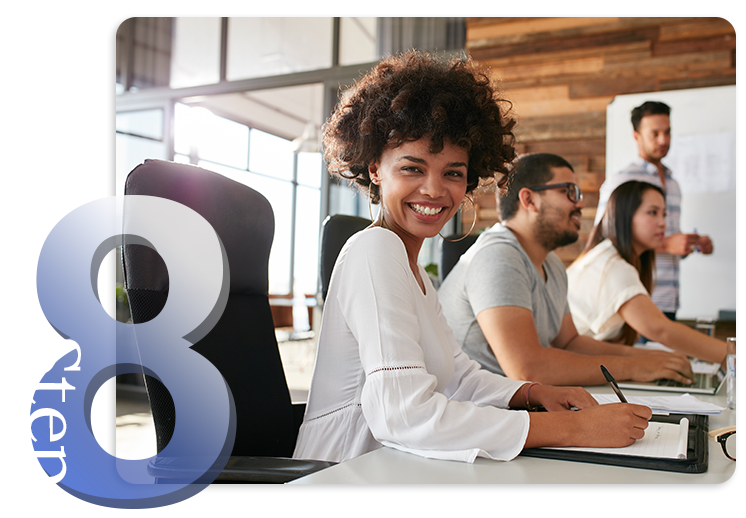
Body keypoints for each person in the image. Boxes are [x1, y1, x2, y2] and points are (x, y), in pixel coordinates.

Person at [293, 51, 651, 465]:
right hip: (345, 469)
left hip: (398, 465)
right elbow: (404, 415)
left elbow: (458, 376)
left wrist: (531, 392)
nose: (434, 190)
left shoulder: (416, 273)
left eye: (453, 173)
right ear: (375, 168)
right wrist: (576, 429)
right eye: (412, 168)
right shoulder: (376, 250)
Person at [438, 153, 693, 387]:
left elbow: (570, 343)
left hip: (515, 407)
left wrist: (650, 358)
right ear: (529, 200)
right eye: (569, 191)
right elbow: (527, 369)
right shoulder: (497, 256)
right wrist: (634, 366)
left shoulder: (552, 264)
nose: (580, 203)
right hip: (477, 415)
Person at [567, 180, 727, 365]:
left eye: (664, 214)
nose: (662, 223)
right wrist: (730, 356)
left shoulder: (611, 256)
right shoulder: (613, 266)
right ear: (624, 216)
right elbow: (660, 329)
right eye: (652, 213)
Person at [595, 101, 713, 322]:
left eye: (668, 132)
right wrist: (667, 244)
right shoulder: (622, 181)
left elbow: (660, 237)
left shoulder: (674, 184)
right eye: (655, 133)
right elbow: (604, 238)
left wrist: (690, 244)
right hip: (634, 297)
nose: (664, 140)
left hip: (669, 300)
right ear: (636, 136)